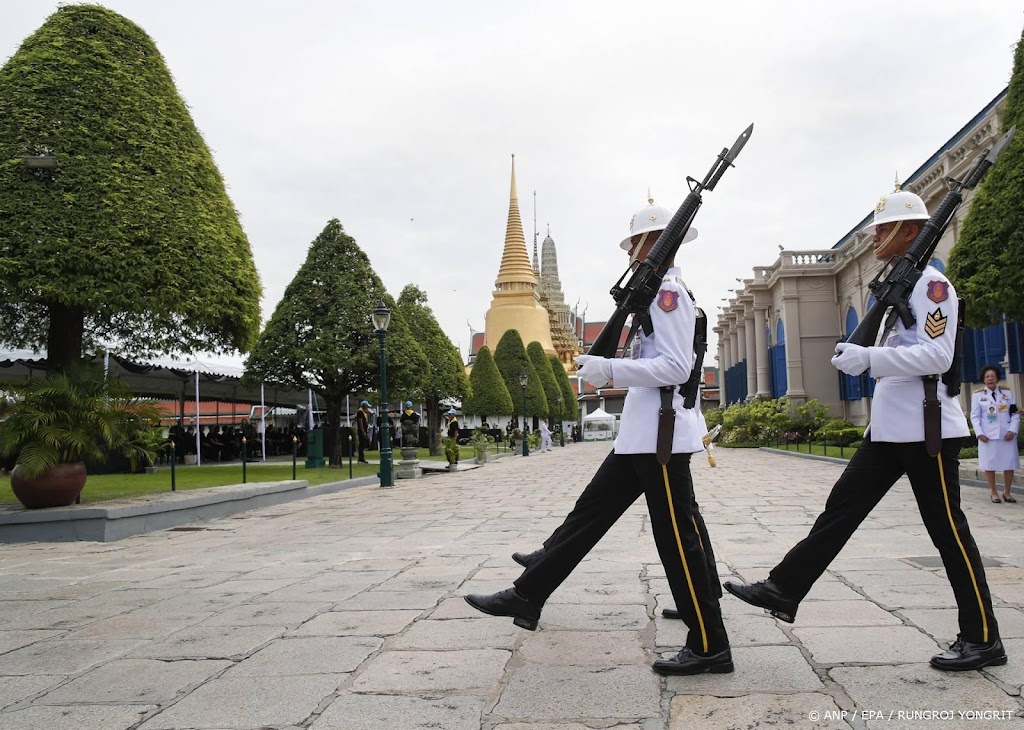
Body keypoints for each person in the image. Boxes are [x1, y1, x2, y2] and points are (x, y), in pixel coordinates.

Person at [724, 186, 1005, 672]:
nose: (874, 237)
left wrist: (870, 358)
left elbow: (938, 357)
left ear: (909, 231)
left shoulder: (933, 287)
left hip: (926, 428)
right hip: (891, 427)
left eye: (883, 228)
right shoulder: (901, 281)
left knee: (947, 532)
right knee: (841, 508)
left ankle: (983, 637)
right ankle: (785, 588)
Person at [464, 196, 729, 676]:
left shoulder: (668, 295)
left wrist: (607, 368)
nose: (630, 255)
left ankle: (711, 644)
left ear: (654, 244)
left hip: (660, 440)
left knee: (677, 540)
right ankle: (527, 596)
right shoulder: (653, 294)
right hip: (641, 434)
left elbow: (676, 367)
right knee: (587, 516)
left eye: (635, 246)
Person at [970, 365, 1019, 504]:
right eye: (987, 377)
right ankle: (993, 492)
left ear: (997, 378)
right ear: (983, 380)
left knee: (1009, 464)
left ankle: (1007, 492)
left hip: (1006, 435)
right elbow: (975, 416)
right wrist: (979, 433)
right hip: (988, 436)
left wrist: (1013, 430)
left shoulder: (1007, 393)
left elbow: (1015, 413)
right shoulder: (978, 395)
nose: (990, 378)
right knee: (989, 465)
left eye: (992, 376)